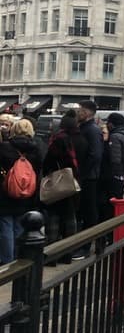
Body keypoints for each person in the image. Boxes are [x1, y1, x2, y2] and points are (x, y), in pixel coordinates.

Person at [0, 118, 44, 264]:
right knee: (20, 225)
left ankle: (7, 259)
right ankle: (18, 259)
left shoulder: (5, 147)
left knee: (6, 225)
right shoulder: (36, 149)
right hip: (27, 193)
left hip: (6, 192)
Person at [42, 113, 81, 246]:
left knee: (54, 217)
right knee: (70, 216)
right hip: (72, 182)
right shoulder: (79, 138)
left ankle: (52, 252)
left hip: (58, 182)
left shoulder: (59, 139)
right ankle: (69, 251)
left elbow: (48, 161)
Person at [75, 101, 103, 259]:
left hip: (89, 178)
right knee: (84, 212)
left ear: (87, 112)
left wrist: (83, 173)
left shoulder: (92, 130)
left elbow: (96, 155)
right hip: (86, 176)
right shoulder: (86, 128)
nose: (78, 112)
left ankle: (85, 247)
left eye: (80, 110)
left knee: (89, 213)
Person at [98, 113, 124, 226]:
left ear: (112, 124)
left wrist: (112, 175)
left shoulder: (115, 137)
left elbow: (115, 159)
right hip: (122, 176)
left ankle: (110, 231)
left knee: (110, 205)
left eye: (108, 122)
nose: (107, 124)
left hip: (115, 178)